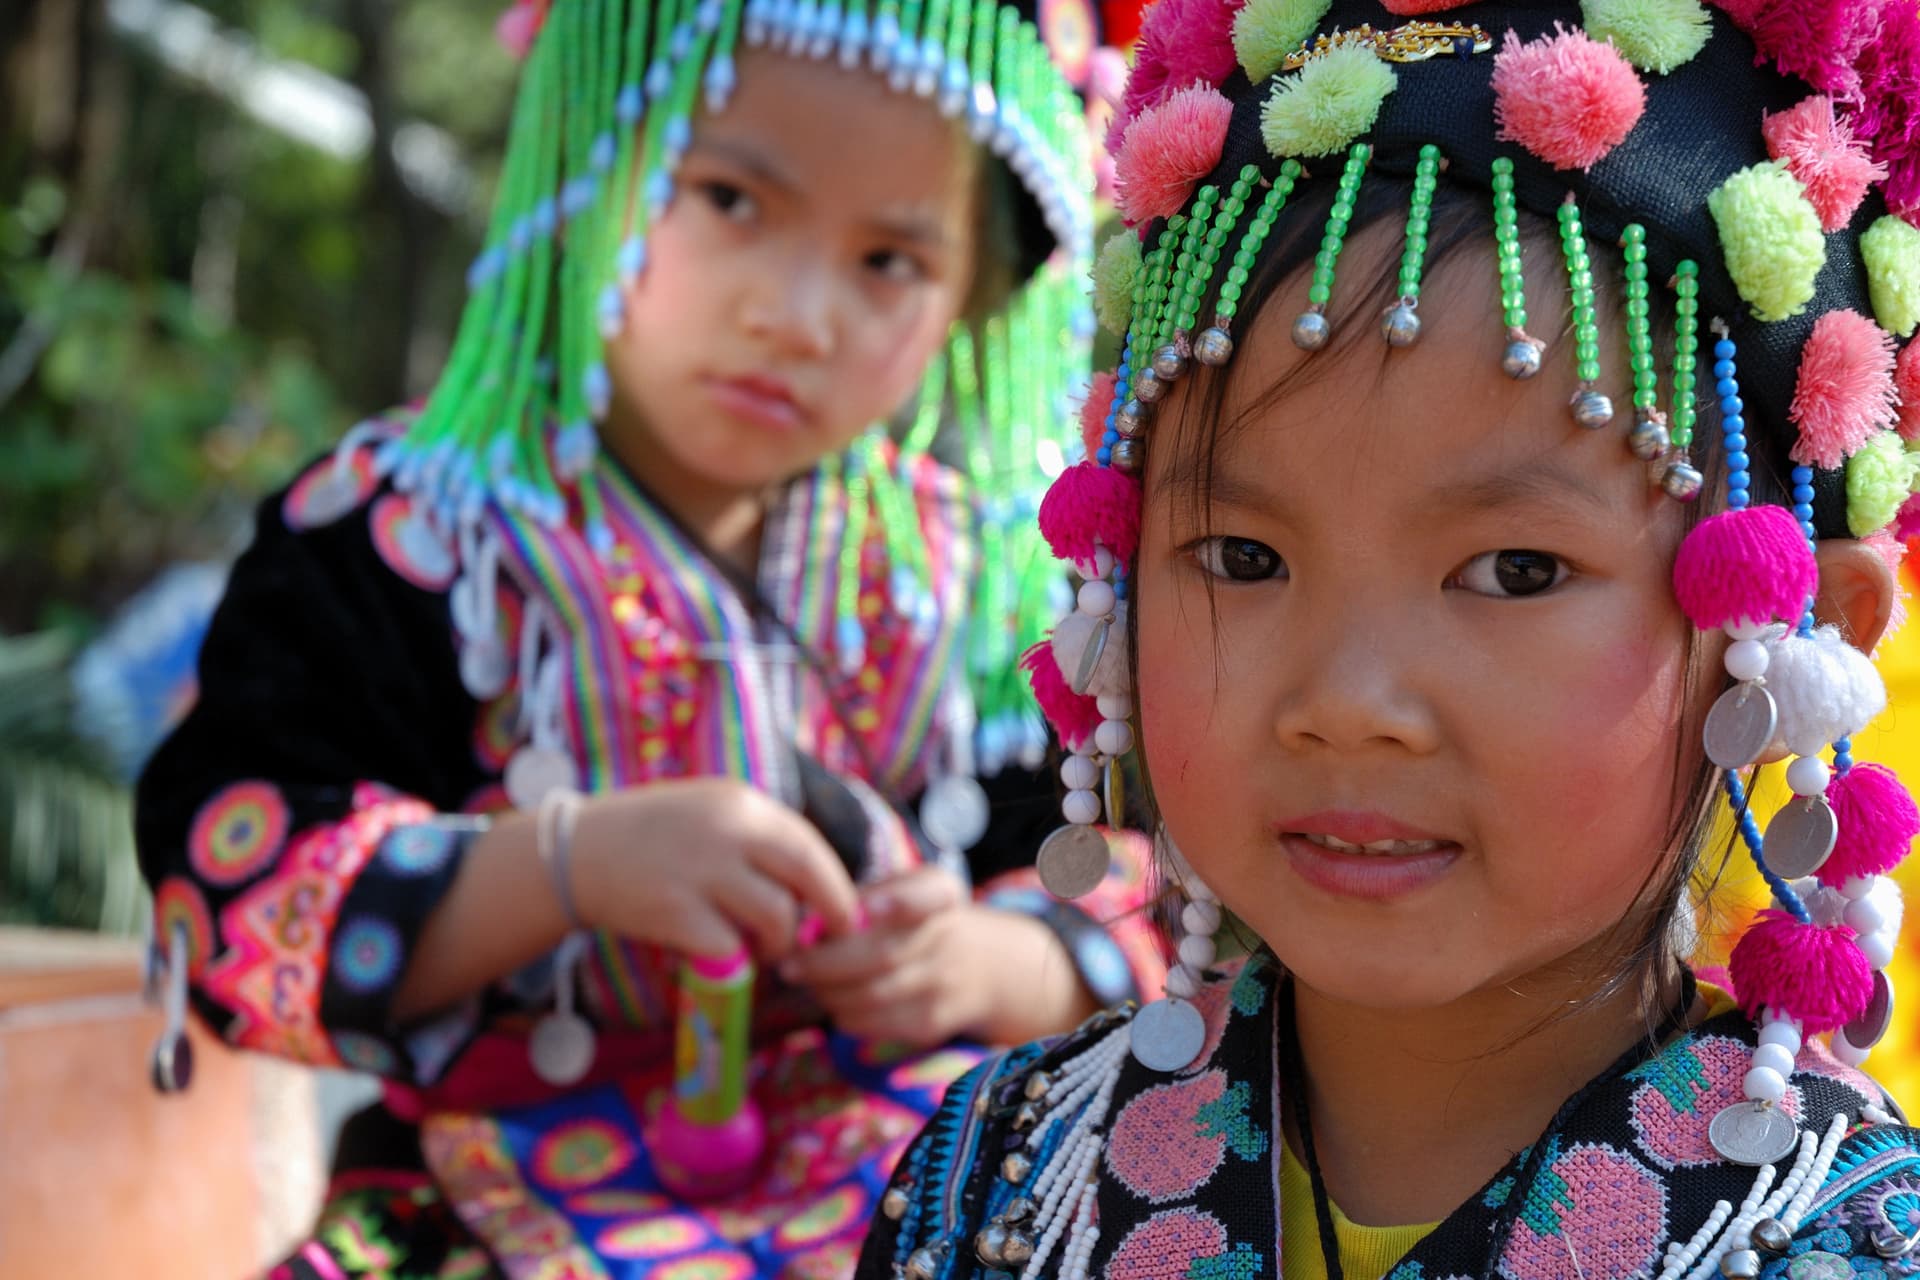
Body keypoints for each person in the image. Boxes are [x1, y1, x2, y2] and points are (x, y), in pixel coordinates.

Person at [858, 1, 1920, 1277]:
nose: (1348, 699)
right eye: (1245, 559)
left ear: (1800, 628)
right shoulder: (1000, 1176)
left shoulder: (1843, 1240)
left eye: (1515, 570)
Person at [131, 0, 1172, 1272]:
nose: (797, 313)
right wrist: (562, 866)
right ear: (582, 158)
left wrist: (991, 961)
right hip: (485, 1192)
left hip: (913, 1178)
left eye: (889, 261)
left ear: (974, 297)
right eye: (731, 199)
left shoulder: (982, 583)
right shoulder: (413, 534)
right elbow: (228, 870)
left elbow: (1127, 860)